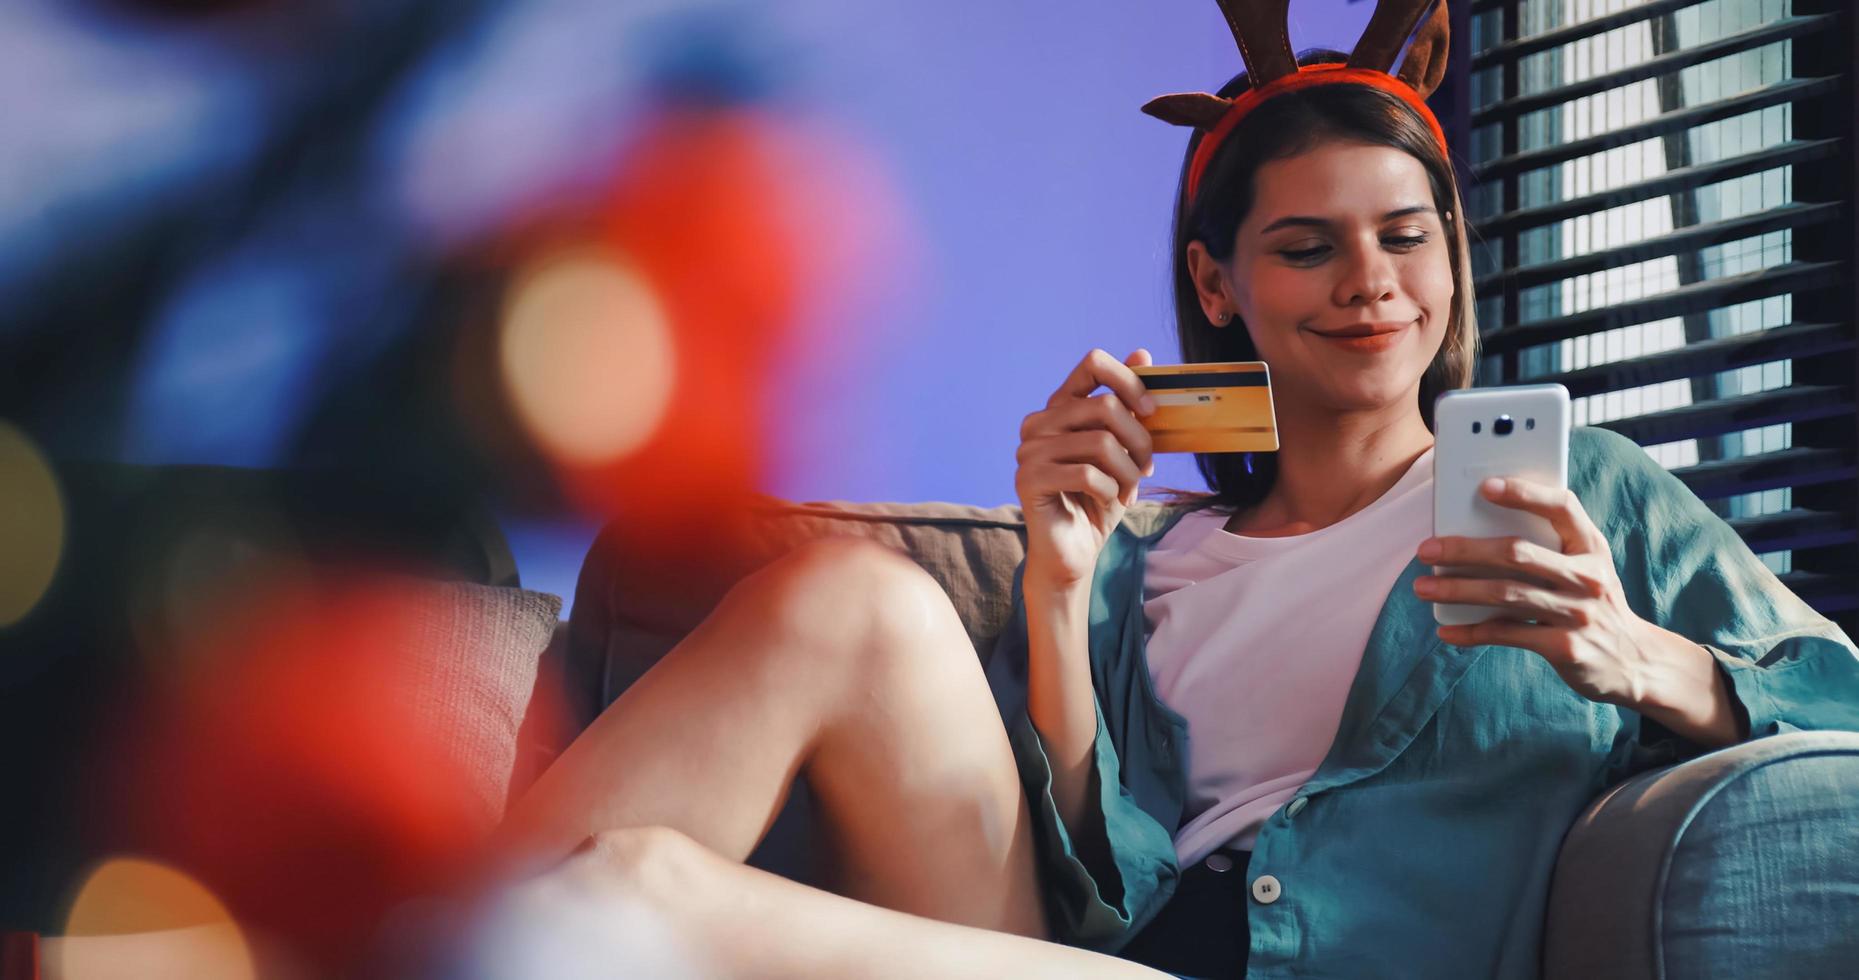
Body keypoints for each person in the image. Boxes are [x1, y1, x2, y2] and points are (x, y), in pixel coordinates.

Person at [29, 1, 1859, 977]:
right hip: (1104, 958)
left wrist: (1659, 671)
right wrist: (1060, 593)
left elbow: (1835, 710)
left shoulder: (1585, 497)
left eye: (1407, 236)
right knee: (856, 600)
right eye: (1306, 249)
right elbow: (1086, 875)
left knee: (646, 891)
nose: (1372, 285)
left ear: (1456, 255)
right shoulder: (1168, 553)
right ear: (1220, 285)